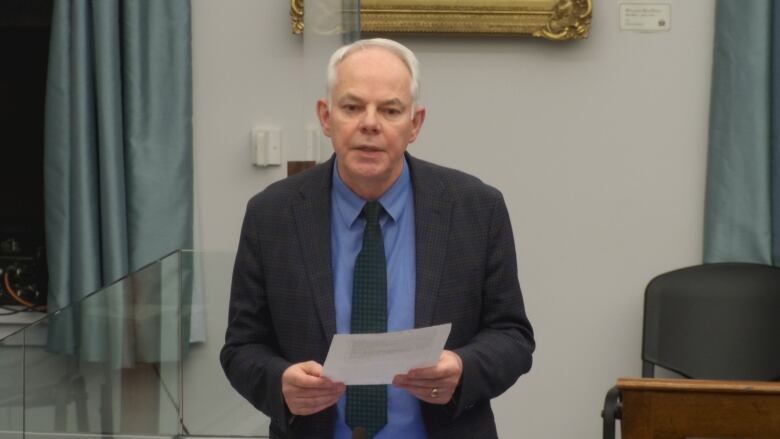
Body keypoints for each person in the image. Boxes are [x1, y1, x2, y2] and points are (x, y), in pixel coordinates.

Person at [221, 38, 534, 439]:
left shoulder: (475, 209)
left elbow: (513, 336)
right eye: (352, 107)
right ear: (326, 116)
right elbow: (241, 348)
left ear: (415, 124)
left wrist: (461, 368)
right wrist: (280, 382)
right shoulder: (273, 215)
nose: (370, 123)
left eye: (390, 110)